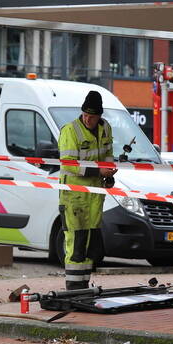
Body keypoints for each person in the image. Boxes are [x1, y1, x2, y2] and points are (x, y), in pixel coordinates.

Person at [57, 90, 116, 290]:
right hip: (73, 197)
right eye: (85, 115)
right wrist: (99, 170)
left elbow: (108, 155)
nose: (87, 118)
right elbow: (68, 164)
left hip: (94, 196)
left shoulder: (105, 129)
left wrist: (109, 174)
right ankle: (73, 288)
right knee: (76, 243)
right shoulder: (70, 131)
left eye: (92, 116)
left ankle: (83, 285)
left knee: (90, 244)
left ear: (100, 115)